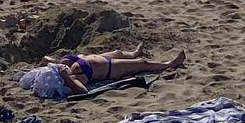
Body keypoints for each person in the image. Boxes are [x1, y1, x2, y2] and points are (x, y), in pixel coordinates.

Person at [19, 47, 187, 99]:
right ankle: (170, 64)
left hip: (94, 59)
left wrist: (49, 64)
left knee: (119, 52)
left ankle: (133, 53)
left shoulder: (60, 67)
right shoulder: (73, 78)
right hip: (109, 68)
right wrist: (66, 77)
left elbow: (45, 60)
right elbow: (83, 91)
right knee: (141, 64)